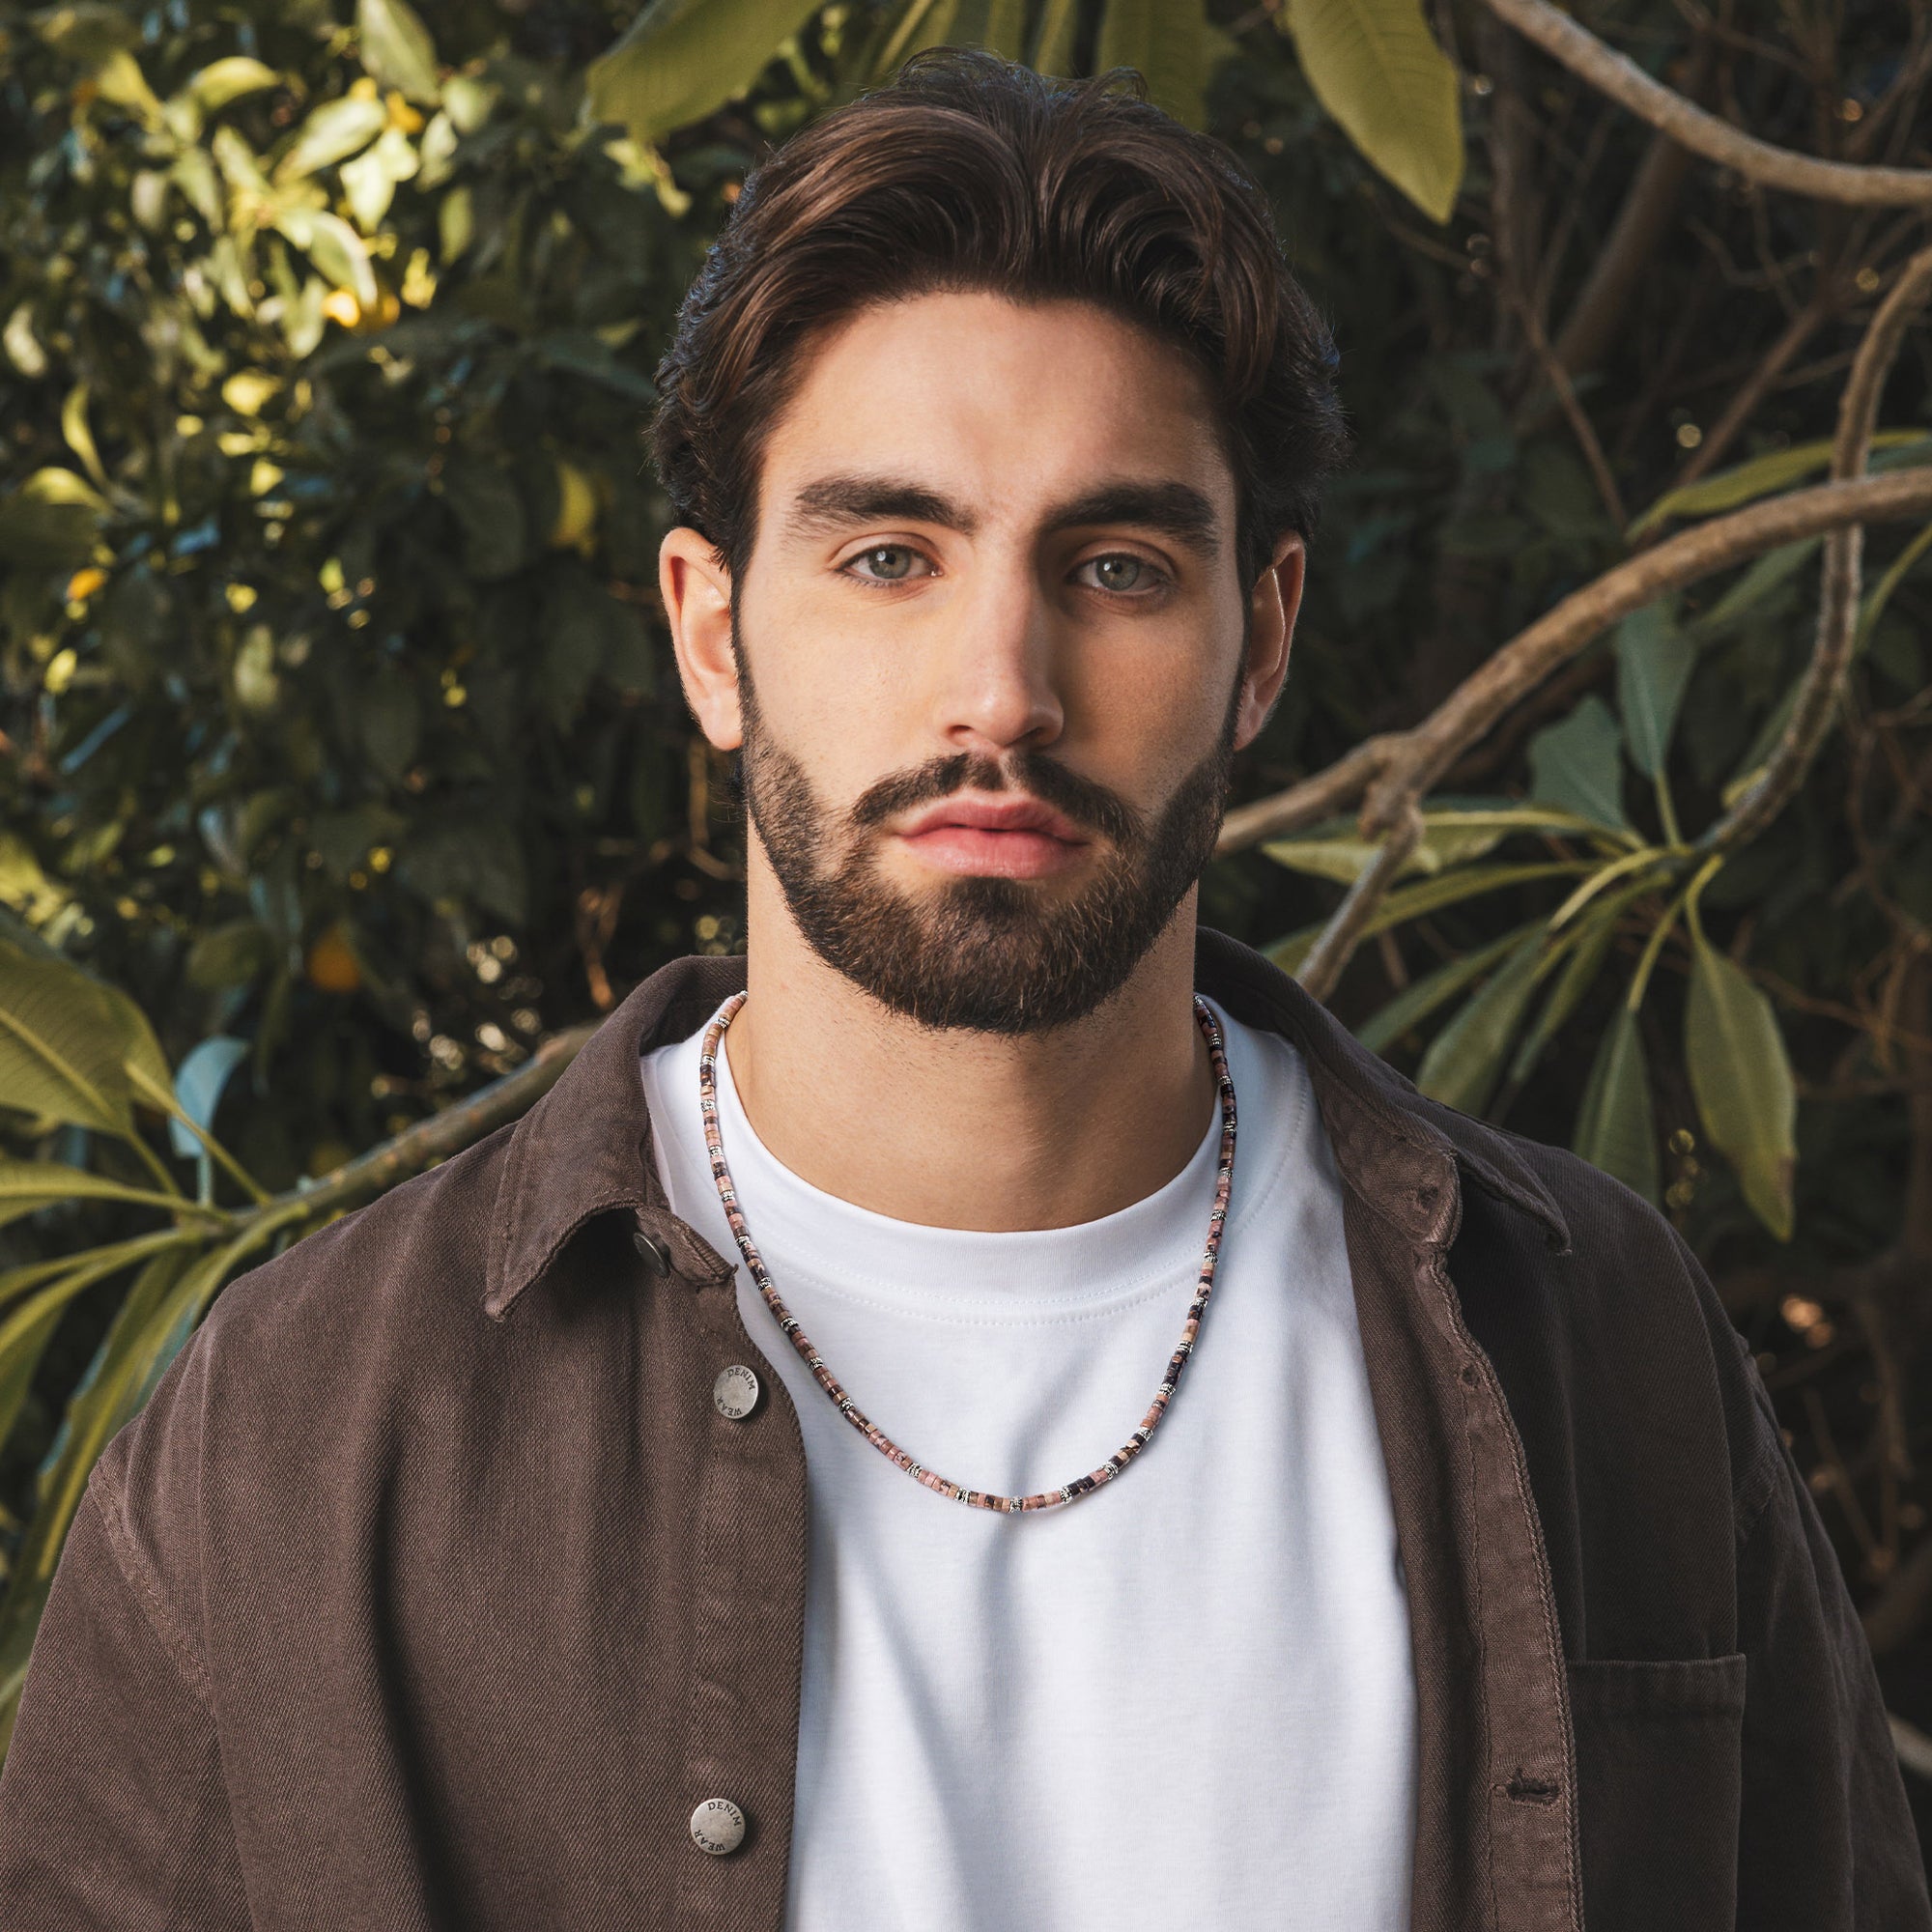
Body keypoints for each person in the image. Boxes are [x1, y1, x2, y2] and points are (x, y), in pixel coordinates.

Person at [0, 49, 1922, 1932]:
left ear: (1259, 642)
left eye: (1111, 566)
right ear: (711, 629)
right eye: (889, 554)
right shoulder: (305, 1426)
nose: (998, 687)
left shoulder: (1592, 1343)